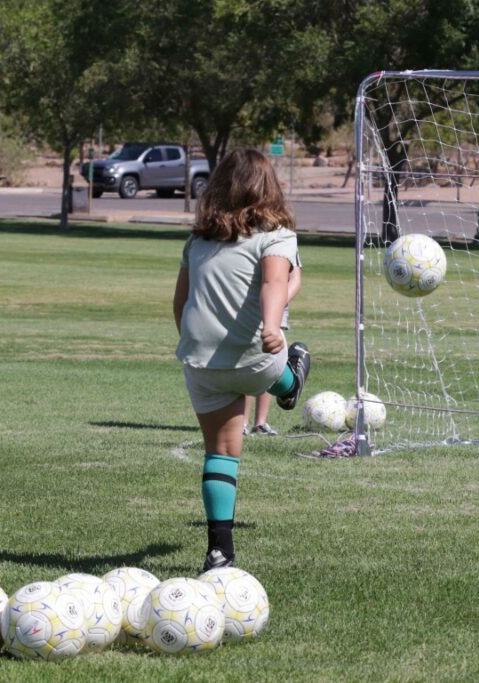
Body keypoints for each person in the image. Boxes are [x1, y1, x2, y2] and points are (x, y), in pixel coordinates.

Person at [173, 148, 311, 570]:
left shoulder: (197, 241)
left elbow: (180, 302)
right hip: (258, 359)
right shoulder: (277, 235)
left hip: (201, 363)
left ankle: (219, 552)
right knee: (277, 370)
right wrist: (273, 325)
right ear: (269, 188)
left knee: (221, 453)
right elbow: (274, 282)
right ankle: (292, 382)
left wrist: (198, 345)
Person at [242, 260, 302, 437]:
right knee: (247, 358)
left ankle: (260, 423)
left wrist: (275, 302)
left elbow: (295, 279)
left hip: (275, 308)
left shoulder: (286, 241)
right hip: (248, 307)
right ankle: (242, 422)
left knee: (270, 359)